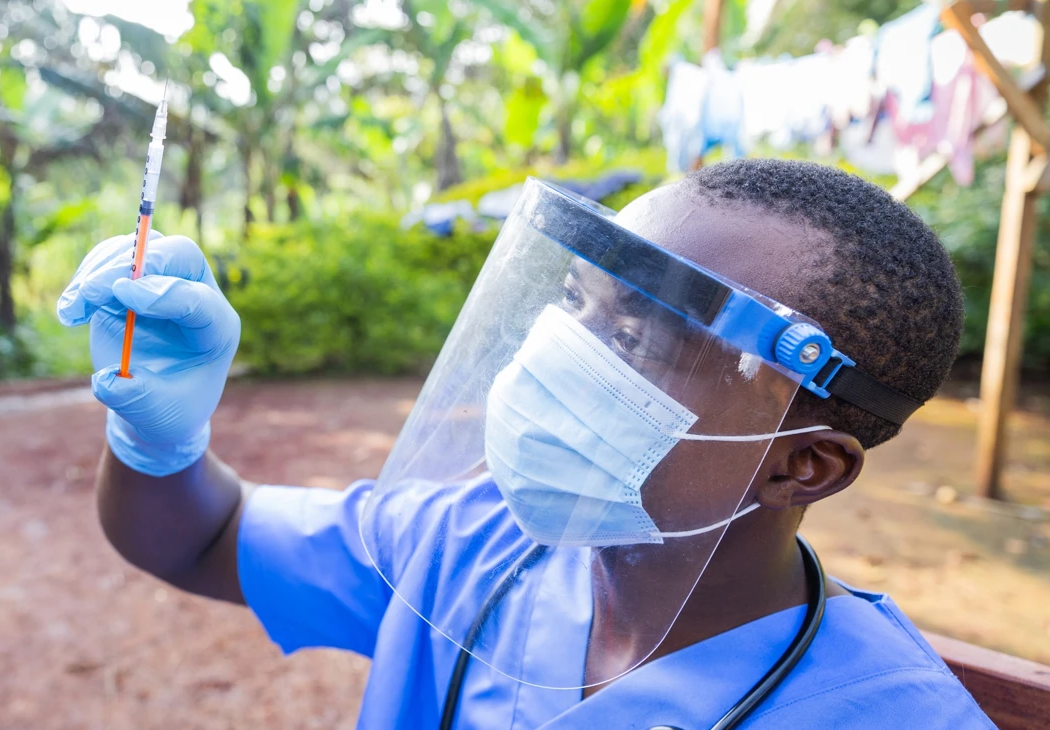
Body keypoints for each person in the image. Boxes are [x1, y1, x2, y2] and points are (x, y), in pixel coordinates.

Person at [57, 159, 994, 729]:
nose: (562, 353)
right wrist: (156, 439)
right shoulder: (472, 540)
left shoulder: (897, 717)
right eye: (576, 307)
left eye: (634, 338)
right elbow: (203, 537)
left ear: (805, 464)